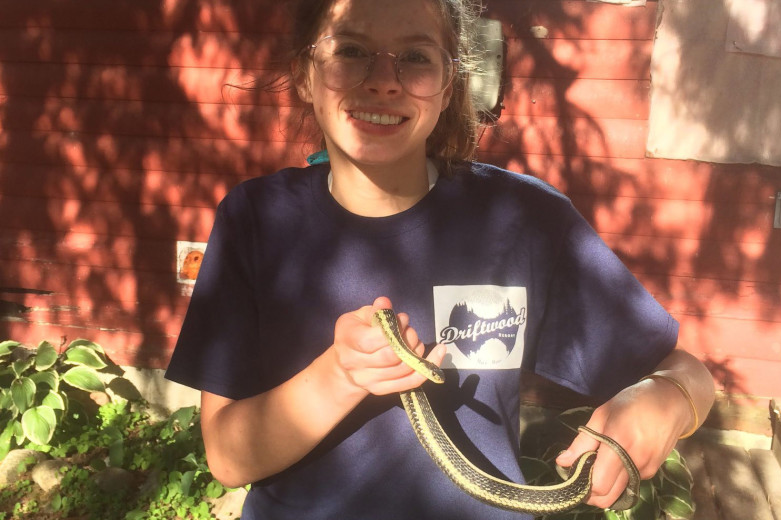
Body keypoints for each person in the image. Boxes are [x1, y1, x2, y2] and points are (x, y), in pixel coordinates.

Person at [165, 0, 716, 518]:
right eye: (351, 50)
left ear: (449, 83)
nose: (383, 80)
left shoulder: (524, 219)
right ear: (307, 73)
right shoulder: (256, 219)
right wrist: (341, 375)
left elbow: (689, 372)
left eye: (415, 58)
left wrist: (665, 399)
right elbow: (229, 458)